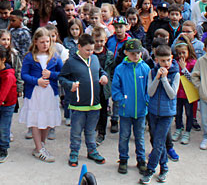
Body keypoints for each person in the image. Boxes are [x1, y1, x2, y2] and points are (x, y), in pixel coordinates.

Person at [59, 32, 108, 167]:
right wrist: (70, 85)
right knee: (76, 131)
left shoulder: (95, 59)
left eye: (92, 50)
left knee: (91, 131)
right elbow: (61, 77)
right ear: (79, 47)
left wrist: (104, 76)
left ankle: (92, 150)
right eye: (87, 50)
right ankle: (74, 152)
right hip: (78, 105)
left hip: (95, 104)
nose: (90, 52)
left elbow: (100, 71)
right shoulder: (71, 62)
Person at [19, 27, 63, 163]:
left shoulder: (55, 56)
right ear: (36, 42)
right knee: (36, 119)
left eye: (47, 42)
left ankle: (42, 144)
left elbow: (62, 73)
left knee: (47, 118)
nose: (45, 45)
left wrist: (52, 75)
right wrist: (36, 81)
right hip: (35, 93)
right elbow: (23, 74)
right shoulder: (30, 57)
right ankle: (38, 148)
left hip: (50, 92)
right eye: (42, 42)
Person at [139, 44, 179, 185]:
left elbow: (172, 94)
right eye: (162, 61)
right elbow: (150, 92)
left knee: (158, 143)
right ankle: (164, 167)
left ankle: (149, 170)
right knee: (157, 142)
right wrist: (157, 77)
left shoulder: (175, 74)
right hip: (153, 112)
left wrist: (164, 79)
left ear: (172, 58)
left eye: (168, 60)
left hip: (167, 114)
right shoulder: (152, 72)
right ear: (156, 60)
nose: (166, 64)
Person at [112, 38, 150, 175]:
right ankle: (123, 159)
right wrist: (121, 100)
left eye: (138, 53)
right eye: (133, 53)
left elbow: (149, 88)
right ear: (126, 52)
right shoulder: (120, 69)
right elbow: (115, 88)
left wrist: (147, 101)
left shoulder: (145, 68)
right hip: (125, 111)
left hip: (140, 111)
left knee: (140, 137)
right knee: (124, 136)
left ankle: (141, 160)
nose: (136, 56)